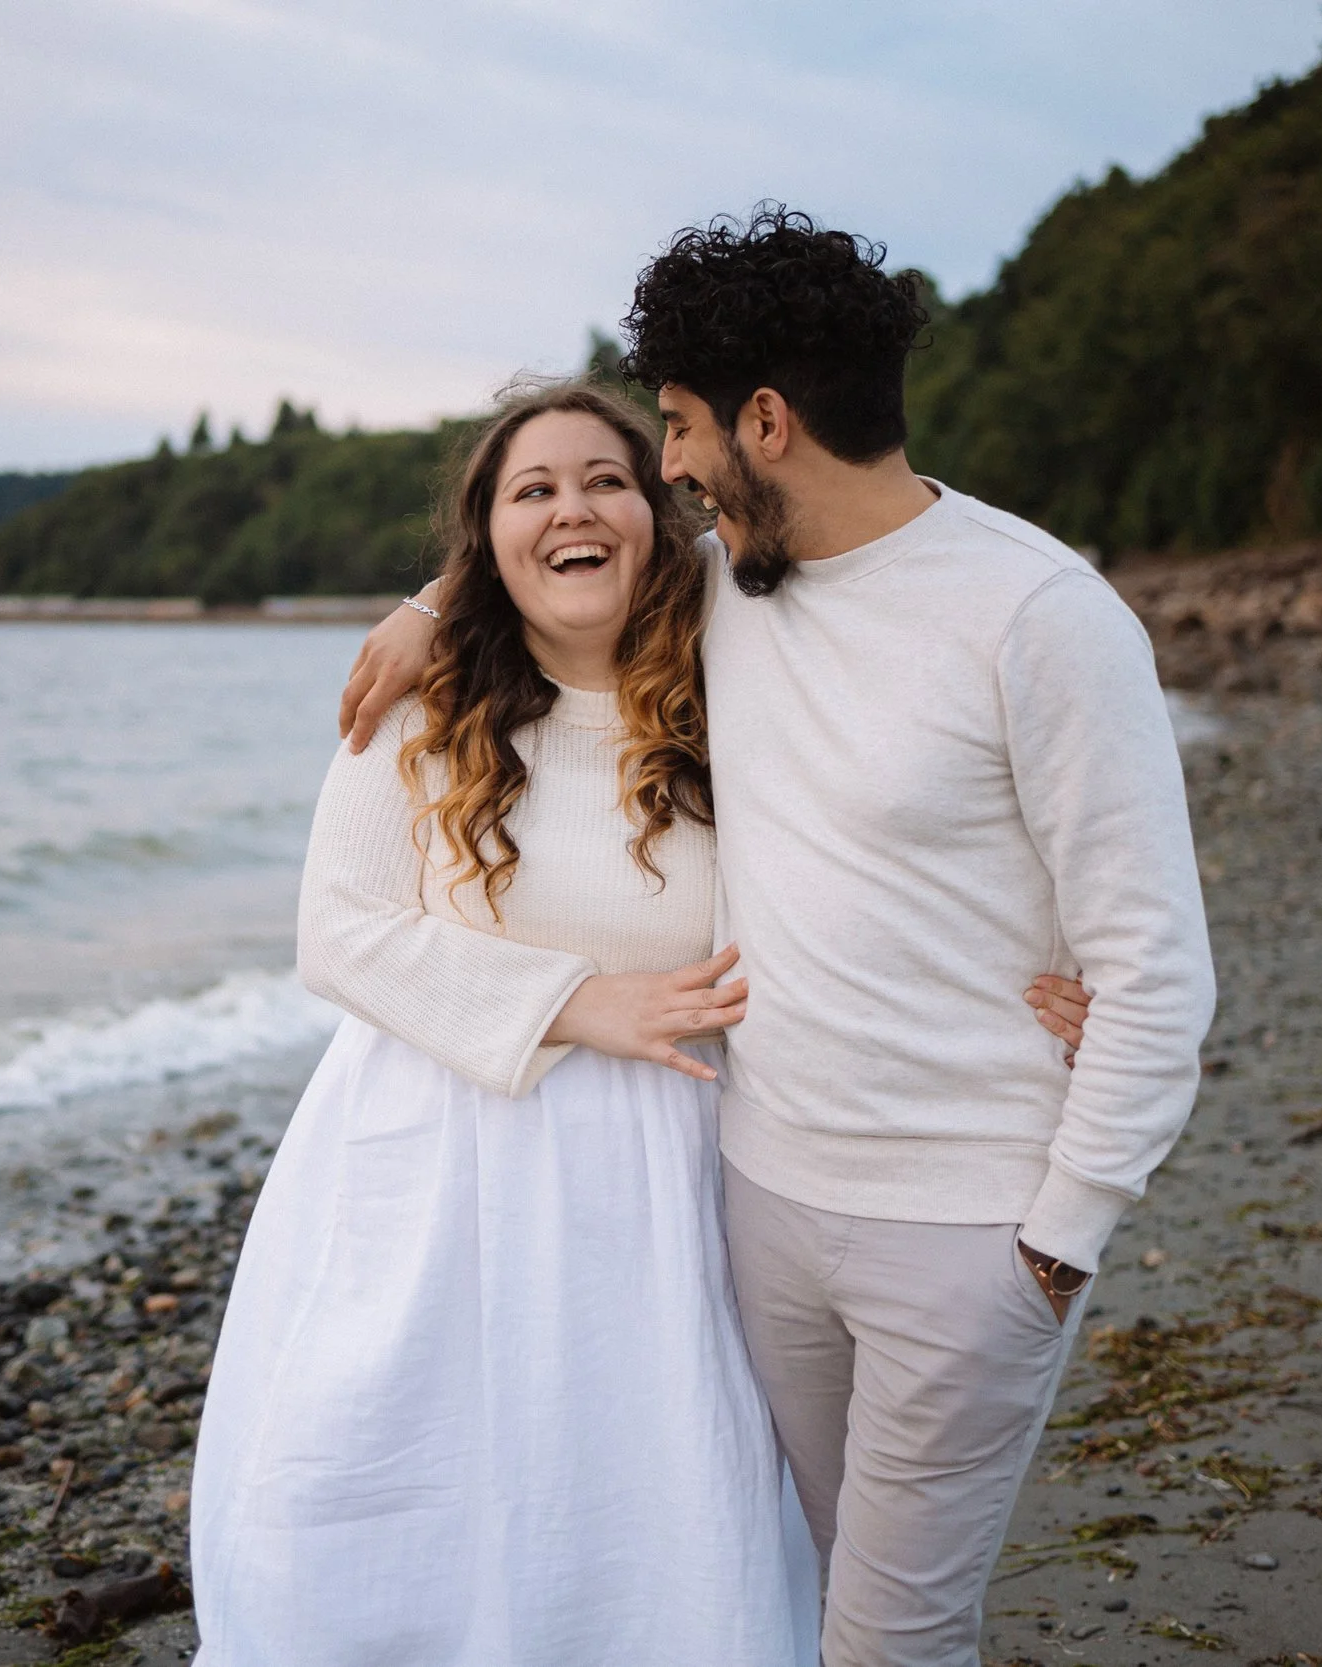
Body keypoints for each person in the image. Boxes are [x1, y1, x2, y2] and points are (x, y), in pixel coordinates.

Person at [340, 208, 1216, 1667]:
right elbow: (568, 545)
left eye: (680, 427)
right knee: (792, 1589)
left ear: (767, 419)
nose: (671, 466)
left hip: (967, 1226)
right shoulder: (725, 584)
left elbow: (1155, 963)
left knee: (892, 1637)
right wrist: (432, 605)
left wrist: (1059, 1238)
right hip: (756, 1199)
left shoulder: (1041, 615)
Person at [189, 379, 1094, 1665]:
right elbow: (338, 930)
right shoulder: (423, 704)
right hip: (444, 1157)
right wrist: (576, 1002)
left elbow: (899, 816)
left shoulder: (736, 667)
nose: (573, 508)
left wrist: (1048, 957)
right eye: (532, 490)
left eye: (605, 479)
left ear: (661, 513)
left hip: (672, 1172)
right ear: (485, 537)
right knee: (390, 1487)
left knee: (648, 1500)